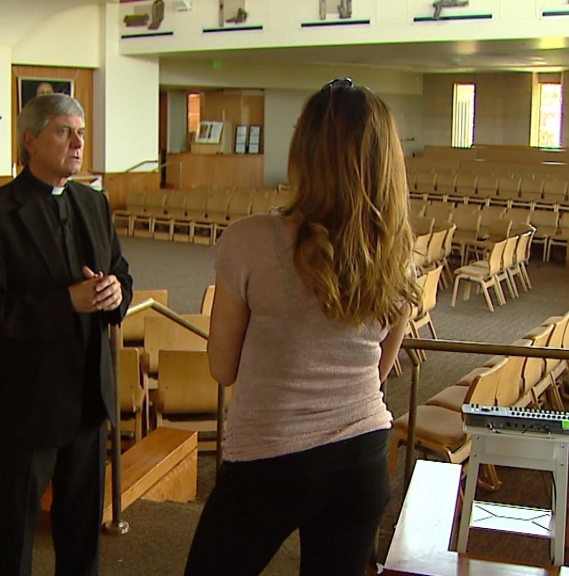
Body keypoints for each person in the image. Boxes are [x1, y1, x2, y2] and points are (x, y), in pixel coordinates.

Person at [183, 78, 418, 576]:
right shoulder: (396, 253)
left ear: (303, 152)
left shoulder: (250, 239)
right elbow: (381, 370)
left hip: (271, 456)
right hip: (363, 454)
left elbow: (223, 368)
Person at [0, 93, 133, 576]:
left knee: (81, 534)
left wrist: (118, 293)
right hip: (26, 402)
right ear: (30, 140)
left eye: (80, 132)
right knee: (17, 532)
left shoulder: (93, 203)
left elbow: (119, 269)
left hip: (87, 398)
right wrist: (65, 303)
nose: (77, 142)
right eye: (63, 131)